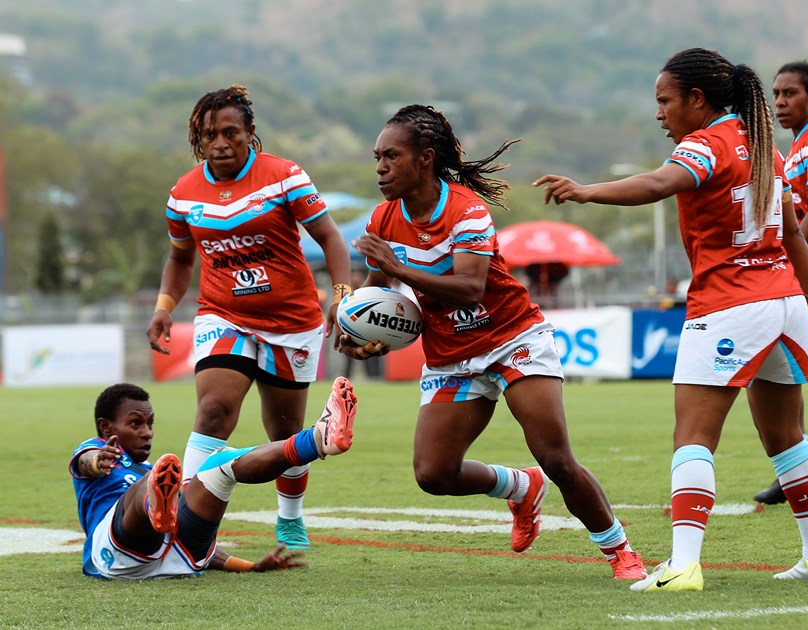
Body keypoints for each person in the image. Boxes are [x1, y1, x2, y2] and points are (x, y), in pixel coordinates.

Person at [535, 47, 808, 591]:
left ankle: (683, 564)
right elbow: (793, 233)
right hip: (786, 304)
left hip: (730, 305)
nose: (659, 113)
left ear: (697, 100)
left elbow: (656, 184)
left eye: (665, 101)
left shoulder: (708, 143)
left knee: (692, 437)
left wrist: (587, 191)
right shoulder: (763, 143)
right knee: (787, 436)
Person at [341, 103, 647, 580]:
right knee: (433, 474)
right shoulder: (383, 218)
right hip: (450, 355)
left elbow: (471, 286)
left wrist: (400, 268)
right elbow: (378, 292)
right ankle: (521, 488)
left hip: (512, 337)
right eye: (376, 157)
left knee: (555, 457)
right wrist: (361, 330)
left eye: (391, 156)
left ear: (425, 157)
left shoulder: (466, 209)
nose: (380, 167)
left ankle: (619, 549)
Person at [145, 84, 352, 550]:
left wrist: (342, 295)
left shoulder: (285, 176)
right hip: (223, 314)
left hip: (292, 322)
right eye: (208, 135)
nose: (219, 144)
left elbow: (331, 239)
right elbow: (181, 258)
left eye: (229, 133)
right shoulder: (183, 193)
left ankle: (290, 518)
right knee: (214, 410)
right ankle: (181, 514)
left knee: (283, 436)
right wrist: (163, 307)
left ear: (249, 133)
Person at [69, 378, 357, 579]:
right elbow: (85, 463)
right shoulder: (97, 450)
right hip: (117, 558)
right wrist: (96, 461)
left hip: (180, 559)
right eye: (136, 423)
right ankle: (153, 507)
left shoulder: (151, 472)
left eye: (150, 424)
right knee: (149, 482)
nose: (147, 432)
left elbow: (212, 553)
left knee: (220, 463)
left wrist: (251, 567)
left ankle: (320, 439)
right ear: (106, 427)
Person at [753, 61, 808, 505]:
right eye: (777, 94)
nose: (781, 102)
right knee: (788, 378)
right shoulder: (797, 145)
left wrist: (782, 265)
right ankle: (792, 472)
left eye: (791, 93)